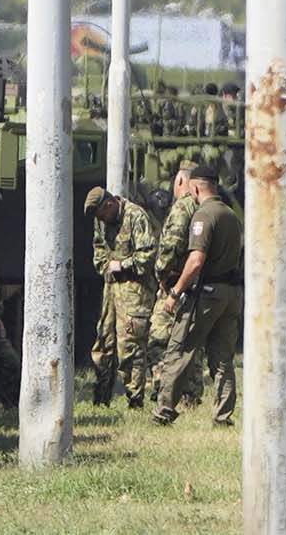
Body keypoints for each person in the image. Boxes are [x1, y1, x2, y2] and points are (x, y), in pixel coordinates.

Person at [152, 164, 243, 426]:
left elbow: (196, 261)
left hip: (206, 295)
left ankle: (164, 411)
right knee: (223, 357)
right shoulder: (230, 215)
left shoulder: (203, 217)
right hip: (231, 295)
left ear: (194, 187)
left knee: (180, 350)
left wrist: (176, 292)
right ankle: (223, 416)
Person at [85, 186, 156, 408]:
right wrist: (106, 265)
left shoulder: (135, 216)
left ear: (110, 204)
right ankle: (101, 398)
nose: (101, 221)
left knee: (130, 346)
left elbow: (148, 254)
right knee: (104, 343)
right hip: (111, 290)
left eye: (102, 215)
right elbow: (99, 250)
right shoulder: (101, 222)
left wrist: (122, 265)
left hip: (134, 291)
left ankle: (134, 400)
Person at [147, 163, 205, 407]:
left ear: (181, 182)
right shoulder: (203, 207)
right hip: (197, 282)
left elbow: (171, 244)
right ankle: (191, 395)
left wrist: (161, 272)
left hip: (174, 282)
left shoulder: (182, 207)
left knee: (159, 338)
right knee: (191, 341)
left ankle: (163, 389)